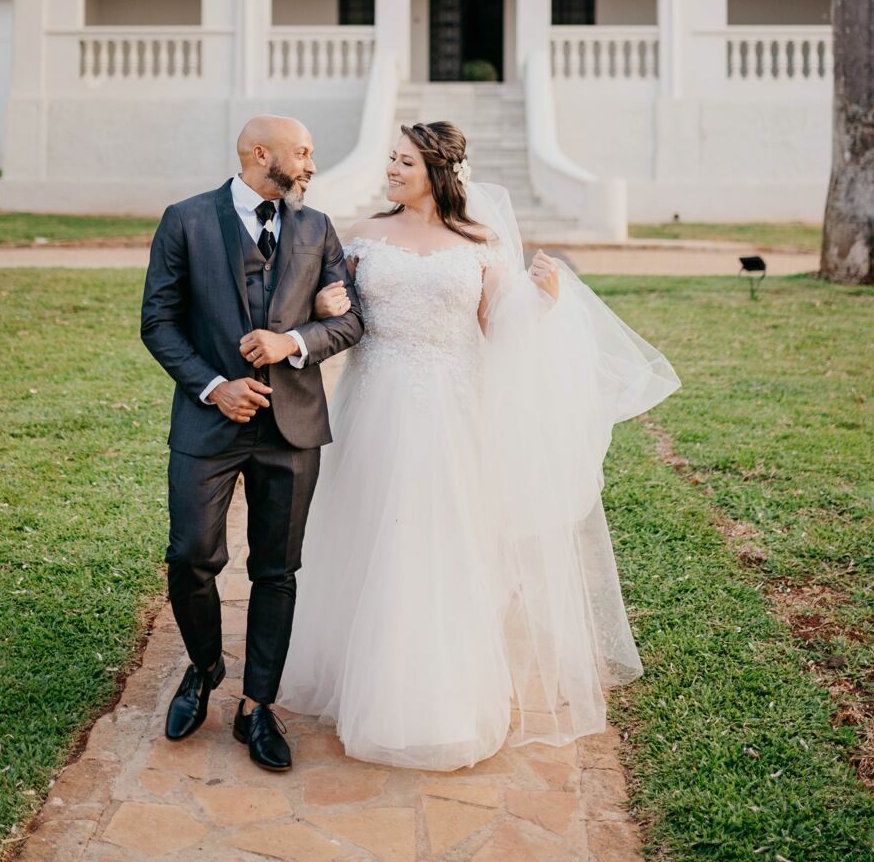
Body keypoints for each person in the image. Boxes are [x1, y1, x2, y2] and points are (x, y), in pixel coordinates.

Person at [278, 119, 681, 770]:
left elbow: (497, 329)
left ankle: (439, 698)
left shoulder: (480, 242)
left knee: (442, 543)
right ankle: (362, 675)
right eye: (389, 159)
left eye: (402, 161)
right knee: (374, 533)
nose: (390, 169)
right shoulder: (364, 237)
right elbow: (344, 320)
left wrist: (544, 304)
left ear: (436, 171)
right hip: (375, 401)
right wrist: (327, 307)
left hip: (451, 410)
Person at [140, 115, 363, 772]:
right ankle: (205, 669)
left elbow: (349, 319)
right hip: (209, 424)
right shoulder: (184, 220)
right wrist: (214, 387)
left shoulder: (315, 228)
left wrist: (292, 343)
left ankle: (256, 705)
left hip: (291, 429)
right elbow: (157, 321)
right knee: (190, 557)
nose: (312, 164)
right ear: (262, 155)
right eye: (304, 152)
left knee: (277, 570)